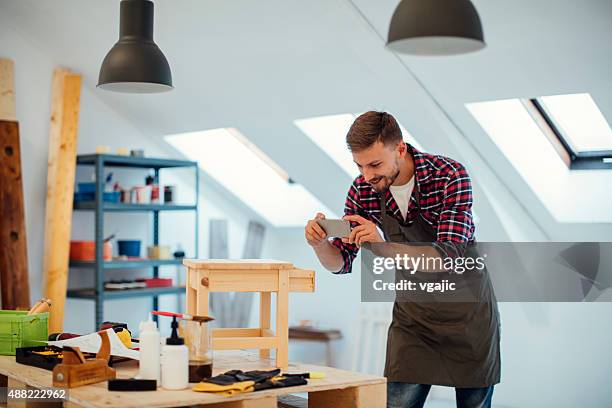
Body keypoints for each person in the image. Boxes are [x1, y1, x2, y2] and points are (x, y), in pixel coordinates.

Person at [304, 111, 500, 408]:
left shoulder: (449, 176)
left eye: (375, 164)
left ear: (400, 148)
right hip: (414, 321)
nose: (367, 175)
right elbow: (341, 263)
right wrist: (319, 244)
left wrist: (382, 245)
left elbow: (446, 257)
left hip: (467, 316)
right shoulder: (362, 190)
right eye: (359, 165)